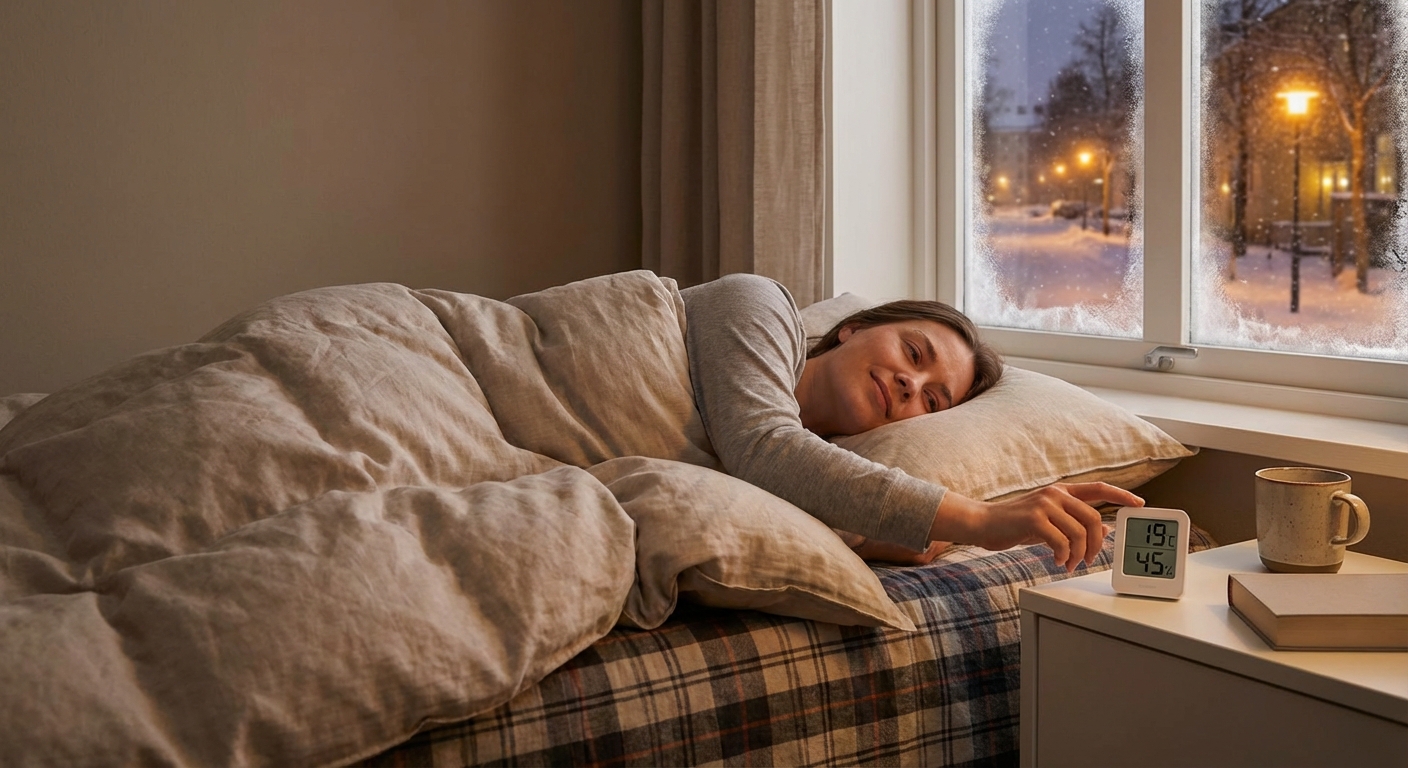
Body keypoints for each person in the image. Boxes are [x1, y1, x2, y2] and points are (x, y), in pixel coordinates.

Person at [680, 273, 1144, 572]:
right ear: (854, 327)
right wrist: (980, 519)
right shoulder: (756, 302)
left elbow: (762, 495)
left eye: (932, 400)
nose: (910, 383)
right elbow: (764, 448)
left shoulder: (805, 477)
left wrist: (867, 541)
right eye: (913, 352)